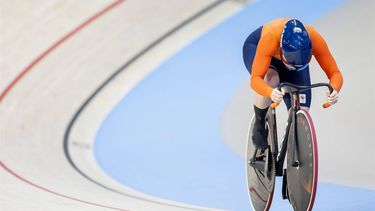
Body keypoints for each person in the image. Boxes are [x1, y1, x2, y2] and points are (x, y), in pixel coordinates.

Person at [243, 18, 343, 149]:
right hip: (257, 48)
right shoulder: (270, 38)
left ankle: (293, 152)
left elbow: (335, 73)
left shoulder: (315, 39)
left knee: (303, 110)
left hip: (293, 59)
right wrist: (270, 92)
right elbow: (256, 79)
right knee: (271, 79)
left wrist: (334, 90)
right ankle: (259, 123)